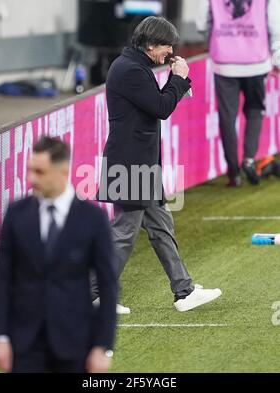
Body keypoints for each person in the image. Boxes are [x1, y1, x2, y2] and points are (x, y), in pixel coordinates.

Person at [96, 16, 222, 313]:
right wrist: (178, 77)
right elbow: (161, 107)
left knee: (161, 227)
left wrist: (178, 81)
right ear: (152, 44)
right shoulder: (130, 70)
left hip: (139, 164)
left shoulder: (133, 65)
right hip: (131, 165)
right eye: (167, 46)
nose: (170, 51)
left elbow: (158, 101)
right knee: (125, 233)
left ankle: (184, 290)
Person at [0, 136, 118, 373]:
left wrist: (103, 345)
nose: (31, 179)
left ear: (62, 172)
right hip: (25, 345)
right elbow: (1, 279)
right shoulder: (16, 213)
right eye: (30, 170)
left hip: (75, 344)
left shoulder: (93, 218)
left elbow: (108, 285)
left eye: (40, 172)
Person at [196, 0, 280, 187]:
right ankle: (249, 159)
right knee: (255, 111)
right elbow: (275, 22)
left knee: (227, 117)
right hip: (256, 60)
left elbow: (201, 22)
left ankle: (234, 173)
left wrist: (214, 37)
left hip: (224, 61)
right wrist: (277, 56)